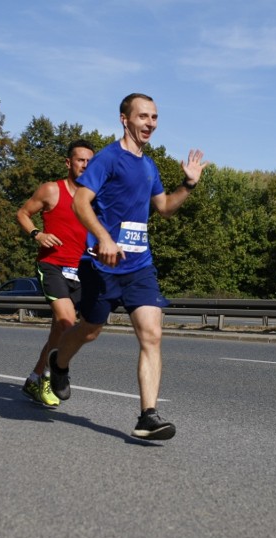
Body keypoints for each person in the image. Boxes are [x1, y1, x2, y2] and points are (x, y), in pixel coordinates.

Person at [46, 93, 208, 440]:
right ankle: (58, 363)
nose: (150, 123)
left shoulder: (149, 166)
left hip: (139, 266)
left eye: (154, 117)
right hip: (101, 266)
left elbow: (164, 207)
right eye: (143, 116)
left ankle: (147, 416)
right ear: (125, 119)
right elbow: (80, 202)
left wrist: (189, 185)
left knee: (152, 334)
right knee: (90, 330)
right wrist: (103, 237)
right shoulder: (108, 158)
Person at [15, 139, 94, 408]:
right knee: (67, 322)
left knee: (59, 334)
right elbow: (23, 213)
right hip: (53, 265)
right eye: (80, 160)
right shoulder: (52, 190)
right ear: (68, 162)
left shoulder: (94, 196)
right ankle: (55, 374)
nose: (85, 165)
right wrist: (37, 234)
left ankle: (35, 378)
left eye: (89, 161)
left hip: (82, 270)